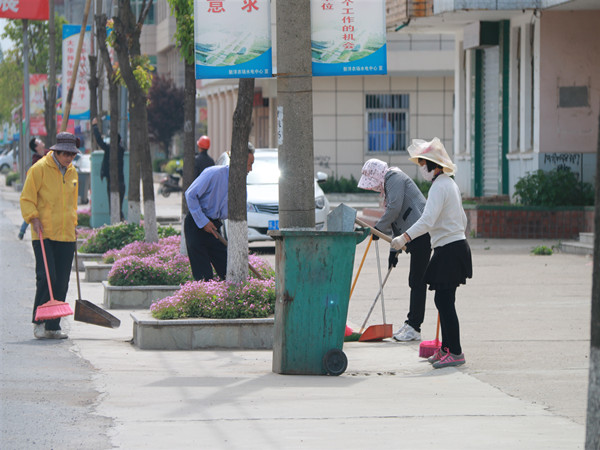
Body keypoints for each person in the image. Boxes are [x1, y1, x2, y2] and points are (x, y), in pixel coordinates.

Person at [391, 137, 472, 369]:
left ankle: (455, 352)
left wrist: (404, 237)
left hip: (449, 249)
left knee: (444, 301)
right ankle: (447, 348)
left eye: (422, 163)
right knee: (443, 299)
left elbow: (427, 220)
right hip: (453, 246)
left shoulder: (440, 186)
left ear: (433, 165)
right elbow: (463, 218)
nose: (421, 168)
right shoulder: (449, 184)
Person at [358, 158, 431, 342]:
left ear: (377, 175)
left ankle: (414, 327)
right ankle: (411, 323)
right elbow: (396, 222)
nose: (373, 187)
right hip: (413, 235)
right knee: (415, 280)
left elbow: (394, 209)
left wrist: (377, 228)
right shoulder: (390, 183)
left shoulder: (394, 177)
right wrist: (393, 252)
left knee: (417, 280)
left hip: (422, 233)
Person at [20, 132, 80, 339]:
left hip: (66, 234)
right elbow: (27, 198)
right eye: (66, 154)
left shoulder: (73, 172)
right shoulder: (38, 169)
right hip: (43, 233)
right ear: (57, 151)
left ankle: (53, 326)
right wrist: (33, 217)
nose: (69, 158)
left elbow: (72, 203)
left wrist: (74, 223)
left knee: (62, 282)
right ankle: (39, 321)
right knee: (47, 277)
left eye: (72, 155)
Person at [184, 143, 255, 281]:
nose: (250, 169)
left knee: (227, 270)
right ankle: (203, 293)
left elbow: (237, 216)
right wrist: (203, 222)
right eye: (249, 164)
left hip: (214, 227)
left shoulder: (240, 186)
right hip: (196, 223)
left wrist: (239, 244)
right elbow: (190, 195)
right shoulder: (213, 173)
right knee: (203, 275)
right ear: (239, 161)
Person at [91, 117, 125, 220]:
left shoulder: (110, 149)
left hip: (112, 181)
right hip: (121, 182)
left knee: (113, 205)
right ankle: (120, 220)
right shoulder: (121, 150)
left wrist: (95, 126)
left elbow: (99, 141)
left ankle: (117, 220)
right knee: (118, 206)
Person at [18, 138, 49, 240]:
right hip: (37, 193)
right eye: (38, 141)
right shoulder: (36, 162)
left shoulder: (49, 154)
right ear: (36, 147)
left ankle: (22, 231)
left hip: (47, 191)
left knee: (33, 212)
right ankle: (22, 231)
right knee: (32, 213)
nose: (41, 141)